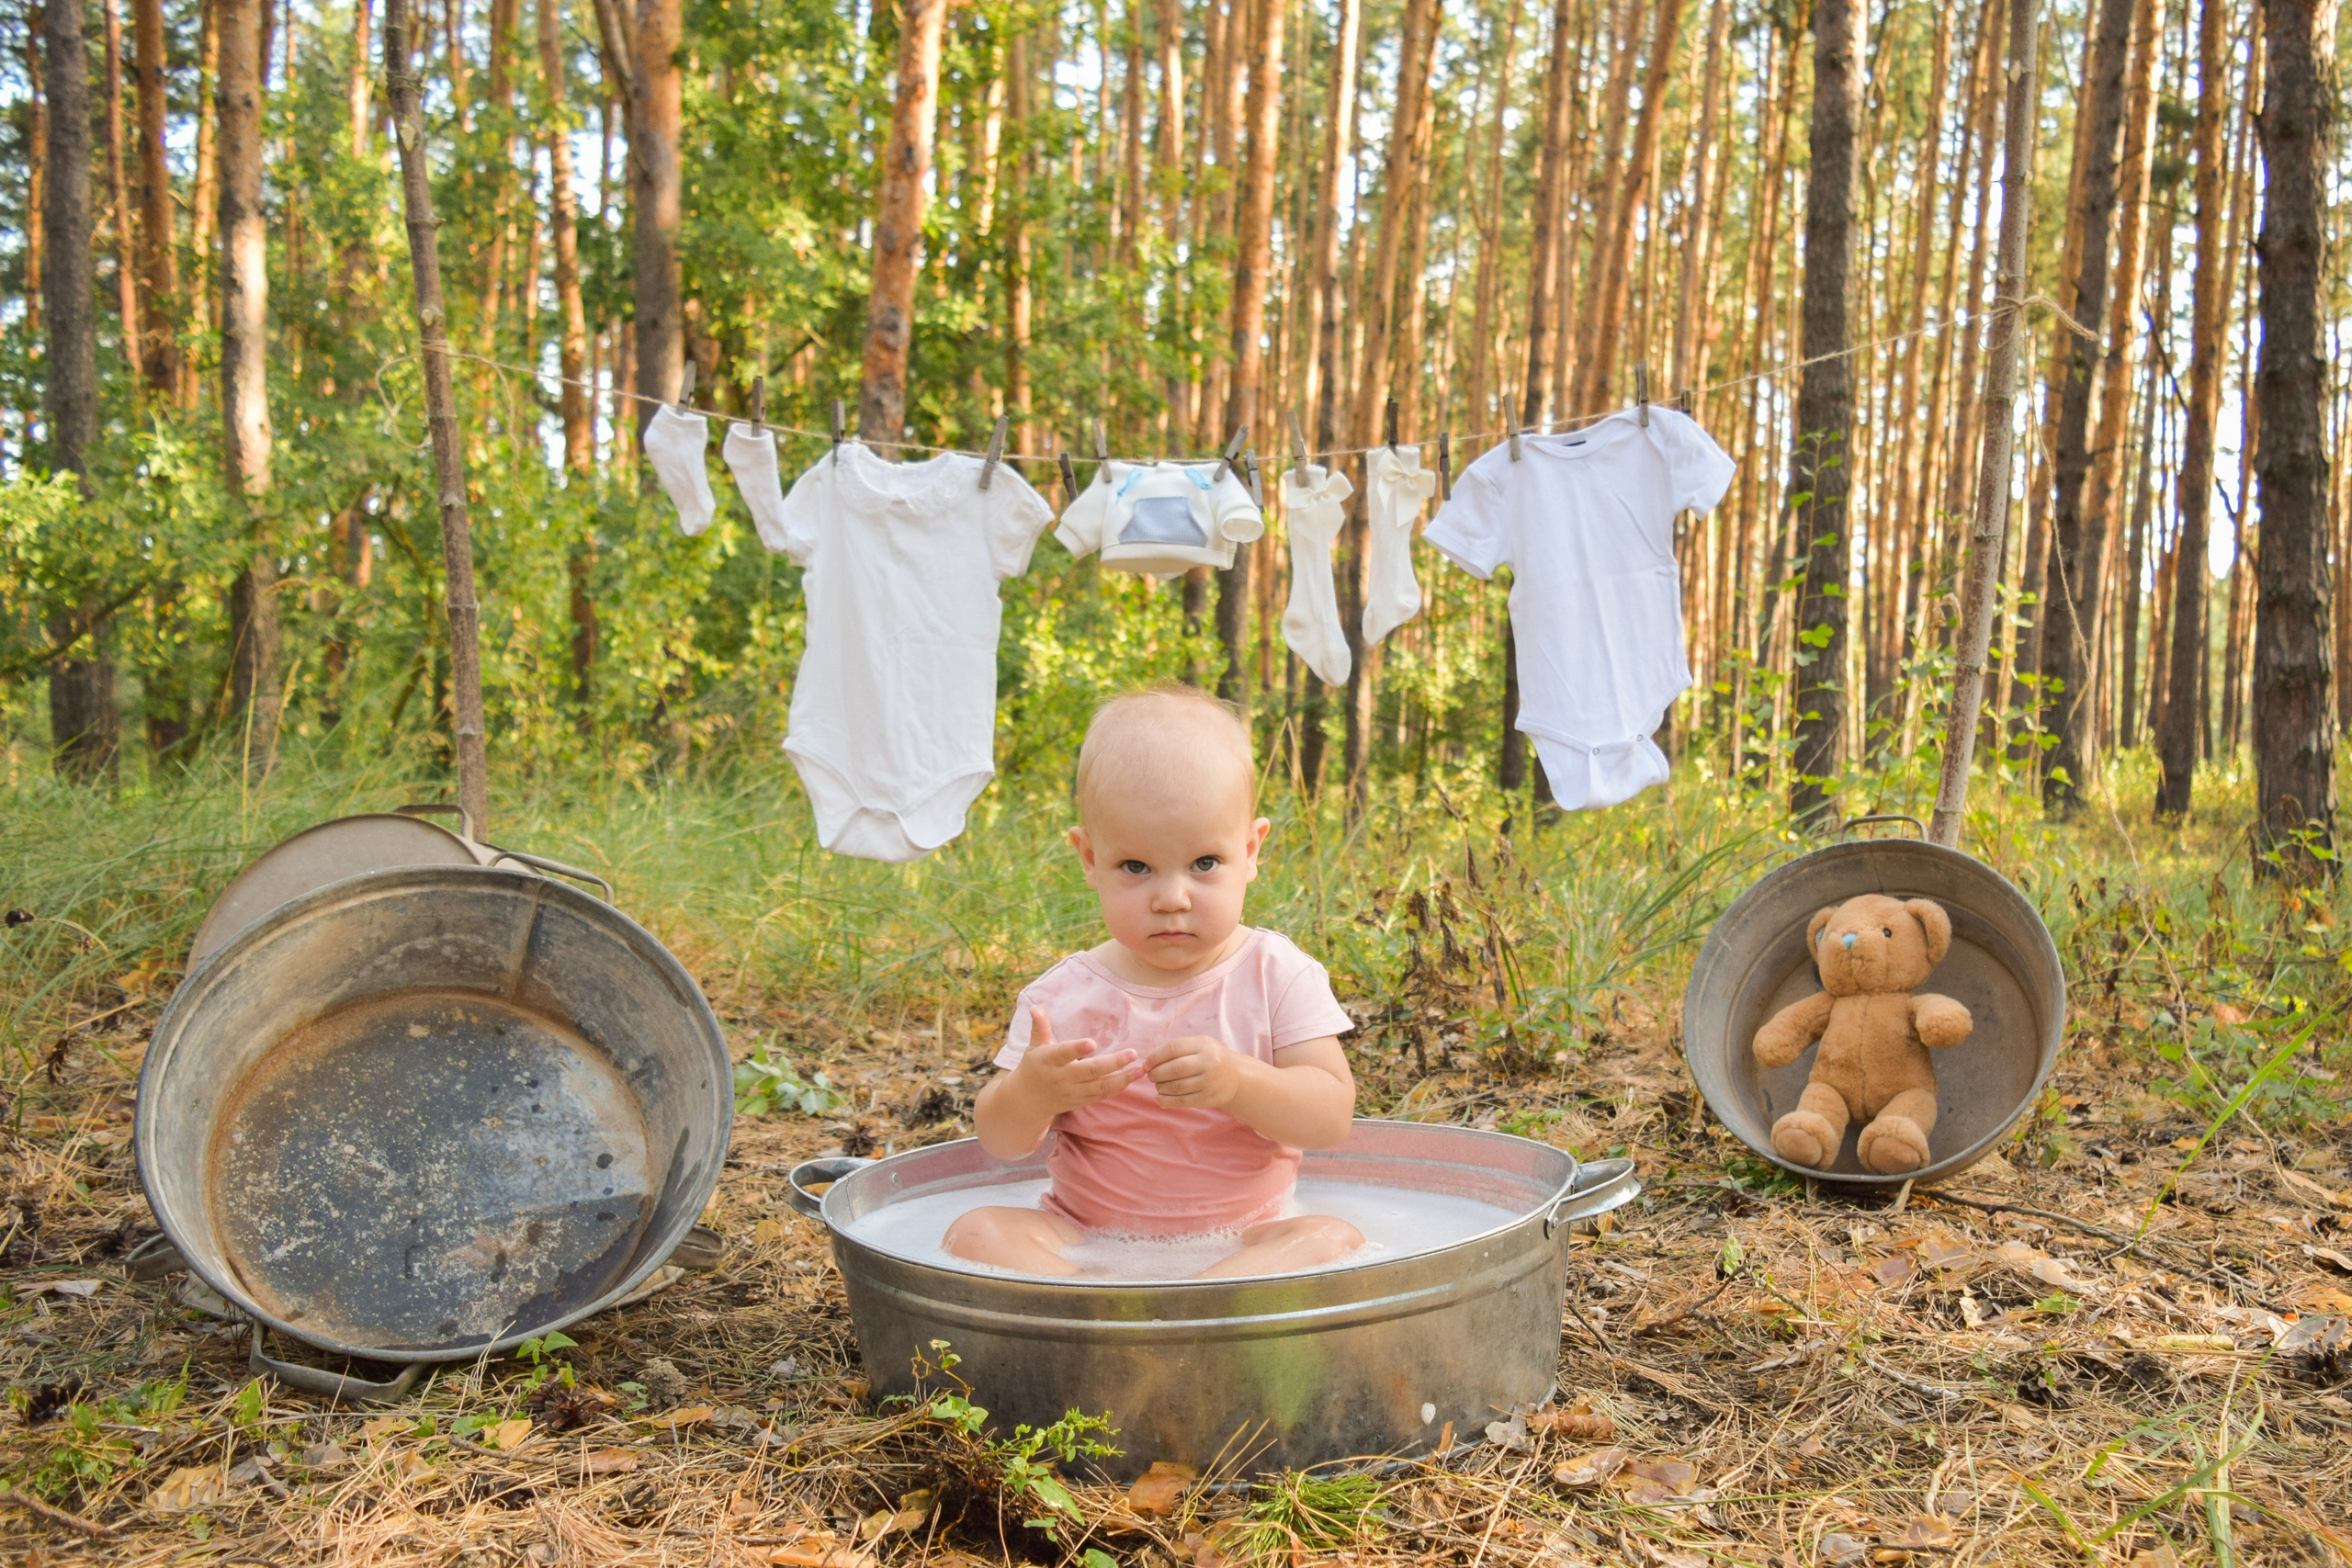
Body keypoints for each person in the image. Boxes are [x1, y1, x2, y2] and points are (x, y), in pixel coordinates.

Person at [944, 687, 1363, 1279]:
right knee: (977, 1232)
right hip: (1084, 1234)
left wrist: (1239, 1081)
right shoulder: (1058, 998)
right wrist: (1031, 1095)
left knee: (1330, 1237)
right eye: (1135, 867)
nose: (1171, 898)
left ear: (1250, 850)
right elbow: (1000, 1142)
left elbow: (1330, 1119)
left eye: (1204, 863)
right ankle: (1095, 1304)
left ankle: (1194, 1303)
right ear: (1090, 859)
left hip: (1246, 1236)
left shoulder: (1277, 974)